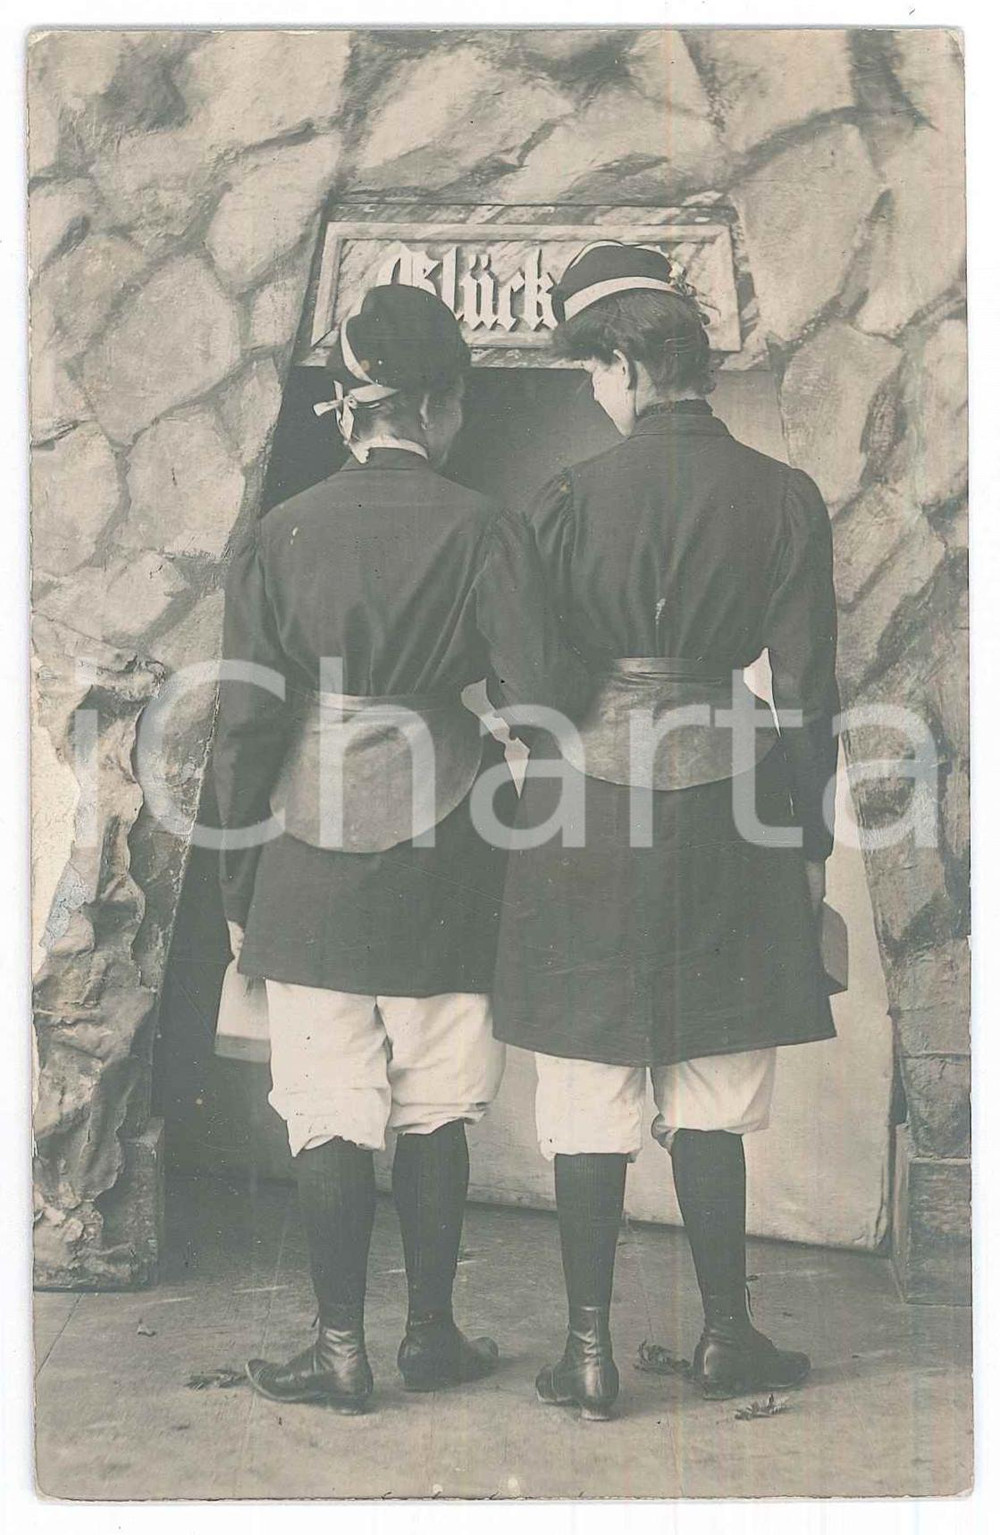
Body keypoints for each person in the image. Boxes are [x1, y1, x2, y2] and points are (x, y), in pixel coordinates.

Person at [213, 283, 591, 1413]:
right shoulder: (486, 526)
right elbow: (546, 701)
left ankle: (339, 1349)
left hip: (306, 853)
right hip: (447, 848)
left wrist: (242, 882)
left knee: (326, 1099)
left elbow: (245, 721)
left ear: (347, 406)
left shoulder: (277, 533)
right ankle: (430, 1332)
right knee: (433, 1099)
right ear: (435, 404)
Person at [492, 241, 840, 1420]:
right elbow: (804, 696)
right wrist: (807, 848)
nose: (593, 395)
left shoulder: (568, 497)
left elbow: (536, 684)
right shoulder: (785, 496)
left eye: (592, 371)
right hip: (734, 804)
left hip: (585, 808)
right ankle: (726, 1334)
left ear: (628, 363)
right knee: (713, 1070)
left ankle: (586, 1353)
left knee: (590, 1071)